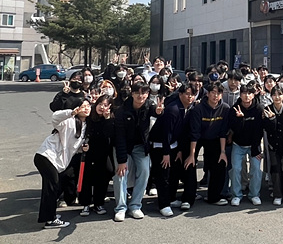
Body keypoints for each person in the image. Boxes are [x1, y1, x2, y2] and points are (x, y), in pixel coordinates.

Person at [34, 100, 91, 229]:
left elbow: (73, 146)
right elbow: (55, 117)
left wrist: (83, 148)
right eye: (83, 106)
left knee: (54, 186)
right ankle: (50, 219)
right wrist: (71, 112)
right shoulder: (68, 121)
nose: (86, 108)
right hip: (46, 156)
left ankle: (49, 215)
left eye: (88, 106)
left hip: (55, 161)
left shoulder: (85, 126)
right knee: (52, 186)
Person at [113, 81, 164, 222]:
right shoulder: (122, 111)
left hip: (140, 146)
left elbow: (156, 112)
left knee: (145, 171)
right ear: (132, 94)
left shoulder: (149, 105)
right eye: (137, 93)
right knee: (121, 174)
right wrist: (122, 161)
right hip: (123, 146)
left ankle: (135, 205)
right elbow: (119, 138)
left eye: (144, 93)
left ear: (148, 94)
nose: (140, 96)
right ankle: (120, 208)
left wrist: (159, 112)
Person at [149, 82, 198, 216]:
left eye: (193, 94)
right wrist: (166, 153)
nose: (190, 97)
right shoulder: (173, 109)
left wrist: (180, 150)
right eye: (187, 94)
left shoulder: (188, 108)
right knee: (163, 175)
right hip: (160, 145)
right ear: (180, 94)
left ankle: (171, 198)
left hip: (174, 145)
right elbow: (167, 133)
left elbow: (182, 133)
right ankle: (163, 204)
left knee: (174, 173)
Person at [184, 81, 230, 206]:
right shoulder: (198, 109)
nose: (215, 95)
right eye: (213, 92)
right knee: (190, 163)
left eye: (218, 93)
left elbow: (223, 132)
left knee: (220, 163)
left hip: (214, 139)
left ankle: (214, 197)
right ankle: (188, 198)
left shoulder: (225, 108)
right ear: (208, 94)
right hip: (198, 138)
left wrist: (223, 152)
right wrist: (192, 155)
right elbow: (194, 133)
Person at [78, 95, 115, 217]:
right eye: (100, 104)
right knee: (87, 178)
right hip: (88, 151)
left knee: (105, 175)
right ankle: (85, 204)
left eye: (105, 105)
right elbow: (85, 133)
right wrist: (84, 144)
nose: (102, 107)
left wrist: (107, 118)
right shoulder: (90, 117)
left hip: (104, 152)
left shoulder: (110, 118)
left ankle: (99, 203)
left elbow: (110, 134)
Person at [228, 83, 264, 206]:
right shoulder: (234, 108)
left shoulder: (259, 109)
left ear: (253, 95)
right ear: (240, 94)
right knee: (236, 169)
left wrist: (256, 148)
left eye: (249, 93)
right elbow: (233, 129)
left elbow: (259, 130)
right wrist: (240, 119)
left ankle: (254, 194)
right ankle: (236, 195)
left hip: (254, 144)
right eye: (244, 93)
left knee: (256, 169)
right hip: (238, 144)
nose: (246, 96)